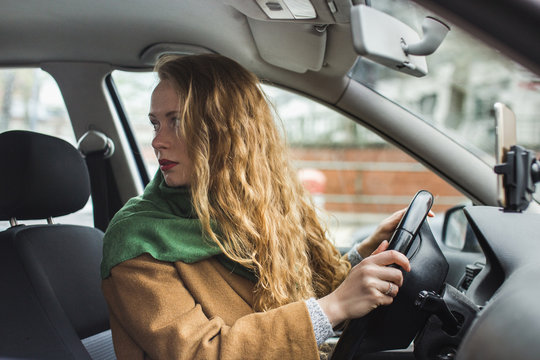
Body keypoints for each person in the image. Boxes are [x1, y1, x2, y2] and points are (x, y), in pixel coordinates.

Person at [101, 54, 410, 359]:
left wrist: (365, 252)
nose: (157, 141)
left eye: (177, 121)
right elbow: (201, 353)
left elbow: (302, 296)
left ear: (227, 130)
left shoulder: (254, 205)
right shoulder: (136, 240)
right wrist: (336, 306)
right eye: (156, 124)